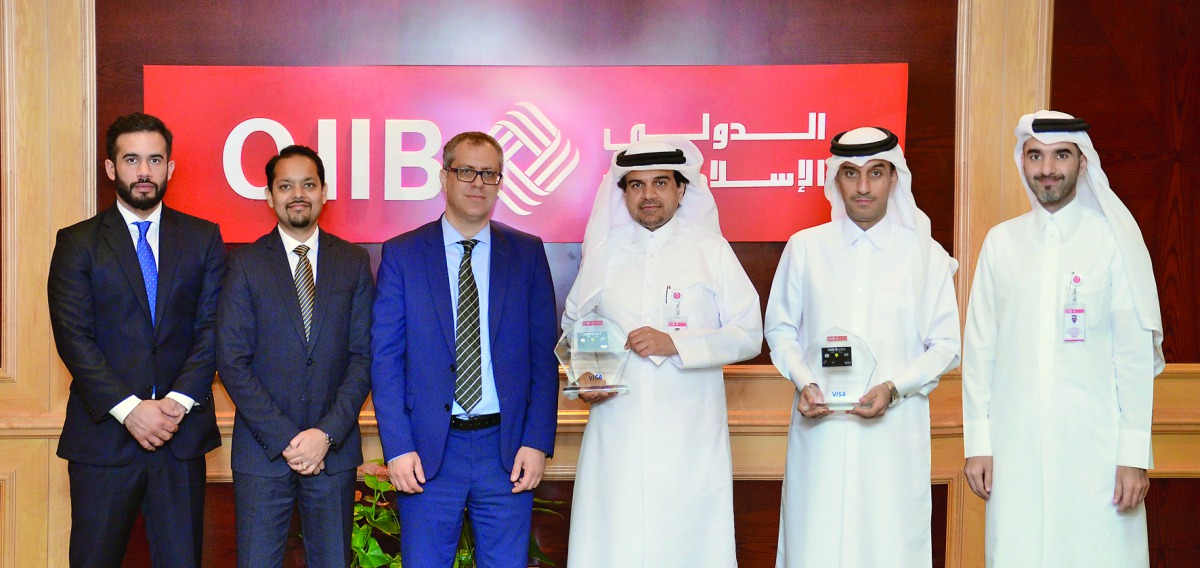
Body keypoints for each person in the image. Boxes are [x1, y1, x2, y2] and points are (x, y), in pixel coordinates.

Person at [962, 110, 1163, 567]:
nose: (1047, 168)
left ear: (1082, 162)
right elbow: (979, 351)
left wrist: (1133, 455)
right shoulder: (1000, 243)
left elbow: (1133, 356)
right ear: (1023, 161)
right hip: (1015, 448)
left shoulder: (1112, 242)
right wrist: (978, 445)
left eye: (1061, 156)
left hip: (1097, 451)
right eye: (1036, 156)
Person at [764, 126, 960, 567]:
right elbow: (779, 328)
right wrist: (804, 381)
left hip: (893, 434)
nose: (864, 187)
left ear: (894, 178)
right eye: (851, 174)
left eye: (876, 173)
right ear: (836, 179)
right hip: (821, 431)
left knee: (887, 545)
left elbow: (947, 344)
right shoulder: (805, 248)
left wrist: (894, 388)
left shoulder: (924, 254)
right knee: (815, 542)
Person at [563, 136, 762, 567]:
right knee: (615, 538)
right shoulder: (605, 253)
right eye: (636, 185)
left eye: (660, 183)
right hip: (617, 429)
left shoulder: (710, 250)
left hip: (689, 433)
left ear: (681, 189)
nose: (648, 195)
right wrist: (588, 373)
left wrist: (677, 344)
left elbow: (749, 334)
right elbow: (576, 324)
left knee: (686, 540)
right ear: (624, 193)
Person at [371, 131, 559, 567]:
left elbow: (542, 357)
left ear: (500, 182)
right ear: (444, 177)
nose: (478, 183)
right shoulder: (403, 254)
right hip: (428, 452)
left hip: (507, 452)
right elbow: (385, 360)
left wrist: (536, 441)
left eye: (489, 174)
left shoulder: (527, 253)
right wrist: (397, 446)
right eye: (466, 171)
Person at [47, 112, 226, 567]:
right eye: (132, 160)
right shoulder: (77, 242)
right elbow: (73, 337)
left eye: (154, 160)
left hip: (179, 438)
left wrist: (175, 405)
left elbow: (213, 328)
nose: (144, 171)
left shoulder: (203, 238)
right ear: (111, 168)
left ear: (170, 167)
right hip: (103, 439)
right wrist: (130, 410)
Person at [215, 145, 373, 567]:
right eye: (285, 186)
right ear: (269, 196)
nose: (297, 194)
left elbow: (364, 357)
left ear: (324, 192)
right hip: (262, 453)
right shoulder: (245, 263)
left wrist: (325, 434)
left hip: (333, 452)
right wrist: (287, 438)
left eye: (308, 185)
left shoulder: (353, 262)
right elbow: (232, 360)